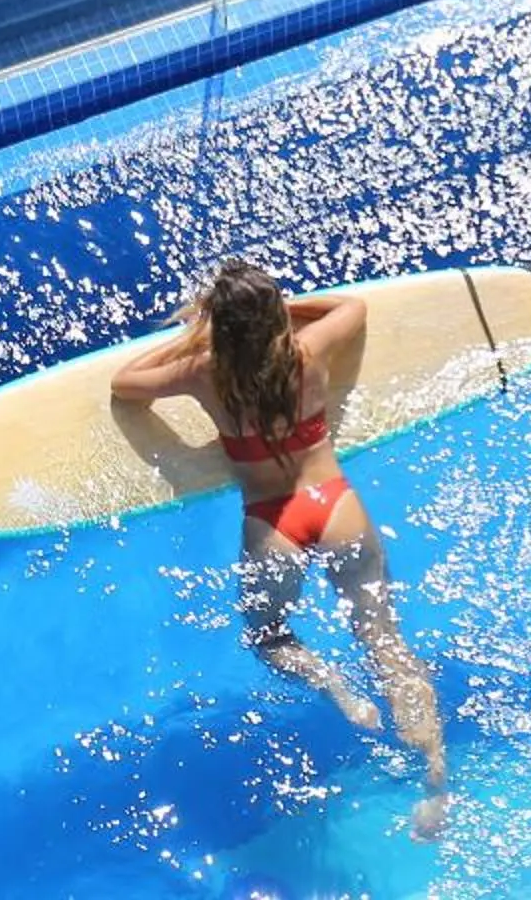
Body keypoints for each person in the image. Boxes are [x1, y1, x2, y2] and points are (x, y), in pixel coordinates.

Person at [110, 257, 451, 837]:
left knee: (269, 636)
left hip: (274, 523)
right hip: (335, 504)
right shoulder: (308, 350)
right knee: (383, 640)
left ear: (220, 326)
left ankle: (341, 693)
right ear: (274, 317)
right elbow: (354, 307)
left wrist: (199, 333)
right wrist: (277, 313)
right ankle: (436, 777)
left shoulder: (204, 371)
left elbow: (125, 384)